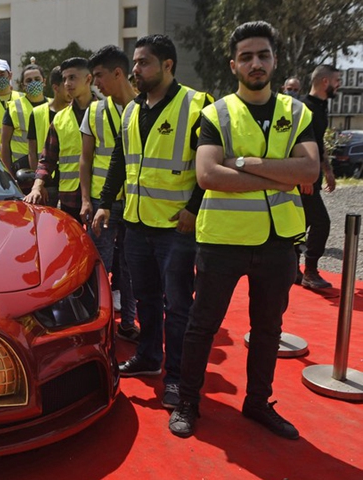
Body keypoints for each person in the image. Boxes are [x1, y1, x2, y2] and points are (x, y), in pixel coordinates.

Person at [170, 21, 318, 440]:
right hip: (222, 240)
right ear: (233, 64)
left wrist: (245, 163)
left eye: (264, 55)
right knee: (203, 326)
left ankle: (257, 403)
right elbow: (207, 175)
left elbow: (309, 168)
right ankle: (188, 402)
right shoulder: (216, 113)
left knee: (269, 328)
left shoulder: (297, 112)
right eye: (247, 56)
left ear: (274, 60)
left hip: (278, 242)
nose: (256, 63)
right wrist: (280, 176)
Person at [92, 35, 211, 410]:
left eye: (143, 63)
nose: (136, 71)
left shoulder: (196, 105)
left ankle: (175, 376)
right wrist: (106, 203)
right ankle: (148, 357)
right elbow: (119, 161)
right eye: (135, 64)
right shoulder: (131, 110)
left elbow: (210, 163)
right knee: (145, 297)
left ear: (168, 65)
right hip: (137, 224)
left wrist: (194, 207)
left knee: (177, 306)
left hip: (176, 229)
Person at [79, 45, 139, 343]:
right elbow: (85, 159)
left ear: (118, 73)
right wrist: (87, 199)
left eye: (99, 76)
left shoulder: (145, 108)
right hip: (105, 205)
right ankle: (99, 327)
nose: (96, 83)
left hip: (137, 206)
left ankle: (128, 323)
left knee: (129, 269)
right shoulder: (94, 111)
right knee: (97, 266)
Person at [24, 57, 94, 219]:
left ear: (88, 79)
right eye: (64, 79)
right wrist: (37, 186)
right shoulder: (60, 118)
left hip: (99, 197)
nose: (68, 83)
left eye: (72, 78)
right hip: (69, 197)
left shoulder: (104, 113)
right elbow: (47, 159)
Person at [296, 65, 340, 289]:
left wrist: (328, 170)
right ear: (325, 82)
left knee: (300, 223)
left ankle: (293, 269)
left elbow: (318, 143)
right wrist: (304, 175)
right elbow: (295, 143)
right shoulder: (303, 107)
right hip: (300, 179)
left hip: (312, 177)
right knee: (321, 222)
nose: (338, 85)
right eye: (337, 80)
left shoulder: (322, 107)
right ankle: (309, 271)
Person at [27, 65, 71, 207]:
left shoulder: (76, 112)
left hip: (71, 182)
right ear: (56, 87)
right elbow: (32, 152)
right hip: (47, 182)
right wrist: (39, 183)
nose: (71, 89)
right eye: (66, 85)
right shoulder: (37, 113)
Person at [0, 64, 48, 173]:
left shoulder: (53, 105)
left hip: (48, 166)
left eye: (37, 79)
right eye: (29, 80)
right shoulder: (13, 108)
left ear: (44, 82)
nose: (33, 82)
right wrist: (8, 173)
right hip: (22, 169)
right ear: (23, 85)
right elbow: (4, 143)